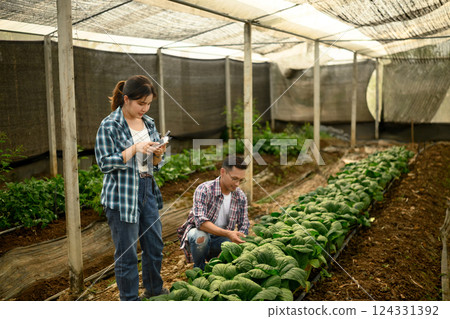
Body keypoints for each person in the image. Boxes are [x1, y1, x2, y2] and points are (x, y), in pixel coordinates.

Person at [95, 75, 168, 301]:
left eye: (148, 104)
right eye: (141, 103)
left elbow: (156, 165)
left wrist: (158, 155)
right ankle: (130, 301)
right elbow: (104, 163)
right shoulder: (110, 125)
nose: (144, 109)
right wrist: (134, 148)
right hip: (122, 195)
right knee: (127, 254)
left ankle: (154, 289)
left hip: (147, 188)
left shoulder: (149, 123)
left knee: (154, 245)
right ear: (126, 99)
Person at [177, 155, 250, 270]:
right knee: (200, 236)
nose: (237, 184)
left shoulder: (240, 196)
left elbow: (244, 225)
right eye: (234, 178)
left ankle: (216, 267)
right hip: (200, 237)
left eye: (241, 180)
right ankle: (199, 269)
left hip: (221, 239)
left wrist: (237, 241)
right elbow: (201, 222)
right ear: (223, 172)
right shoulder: (204, 189)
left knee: (233, 246)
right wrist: (228, 234)